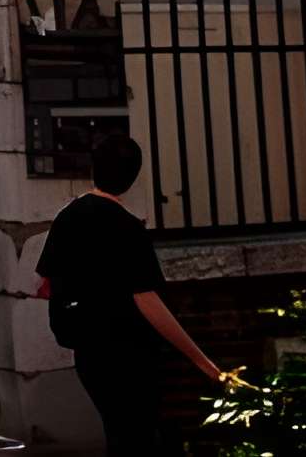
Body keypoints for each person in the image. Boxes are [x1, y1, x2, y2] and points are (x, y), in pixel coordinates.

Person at [35, 132, 226, 453]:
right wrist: (204, 363)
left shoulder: (68, 215)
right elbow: (147, 301)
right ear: (134, 175)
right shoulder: (127, 227)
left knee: (120, 435)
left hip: (88, 353)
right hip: (129, 354)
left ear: (94, 168)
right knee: (137, 438)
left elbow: (44, 283)